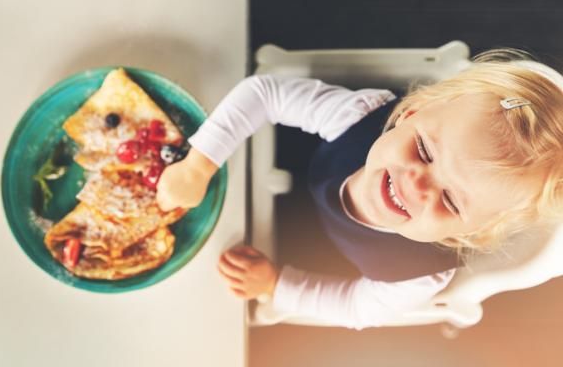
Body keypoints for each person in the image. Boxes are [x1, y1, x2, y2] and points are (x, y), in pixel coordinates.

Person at [156, 48, 563, 330]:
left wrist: (276, 286)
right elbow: (264, 92)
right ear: (411, 111)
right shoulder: (361, 116)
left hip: (319, 250)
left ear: (470, 232)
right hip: (308, 170)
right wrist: (199, 163)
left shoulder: (417, 276)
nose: (417, 182)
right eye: (423, 150)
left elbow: (356, 307)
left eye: (450, 200)